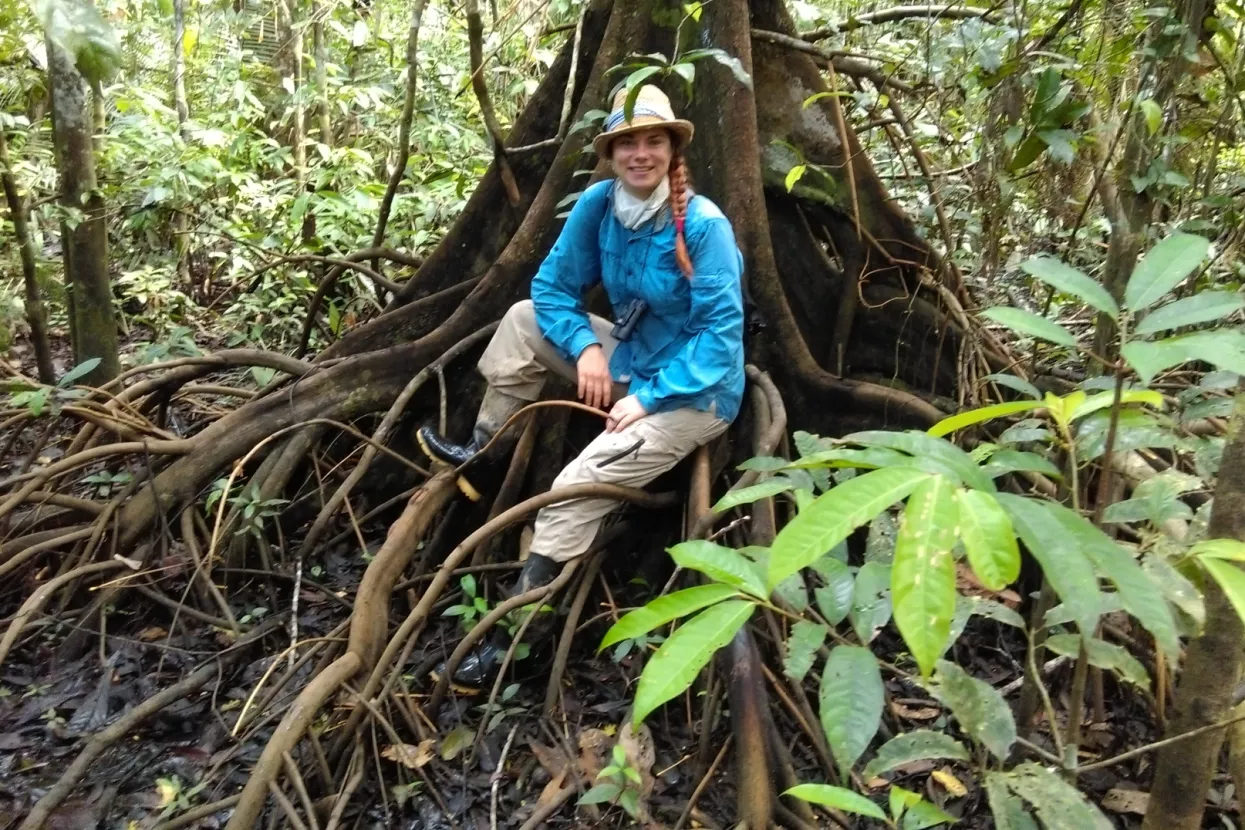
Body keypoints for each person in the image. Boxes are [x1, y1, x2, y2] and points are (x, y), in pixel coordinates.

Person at [417, 85, 745, 676]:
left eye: (653, 141)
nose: (640, 154)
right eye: (627, 143)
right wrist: (587, 347)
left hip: (695, 395)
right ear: (611, 153)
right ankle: (485, 456)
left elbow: (720, 339)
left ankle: (521, 638)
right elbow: (550, 287)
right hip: (631, 361)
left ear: (672, 150)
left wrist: (650, 398)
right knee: (521, 321)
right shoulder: (600, 204)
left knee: (576, 484)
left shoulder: (703, 226)